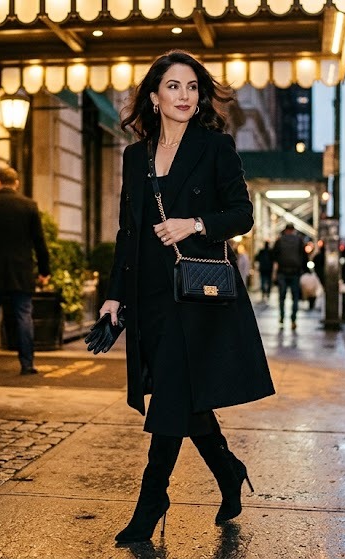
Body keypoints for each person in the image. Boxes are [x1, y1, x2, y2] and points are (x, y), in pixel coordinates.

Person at [98, 50, 274, 545]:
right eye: (173, 87)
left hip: (196, 293)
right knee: (185, 395)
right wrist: (115, 298)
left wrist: (194, 223)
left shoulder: (216, 148)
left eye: (192, 87)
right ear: (154, 97)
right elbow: (126, 234)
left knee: (172, 393)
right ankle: (227, 470)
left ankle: (151, 499)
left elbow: (242, 214)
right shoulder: (135, 156)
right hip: (149, 293)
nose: (184, 96)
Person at [0, 167, 50, 375]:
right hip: (21, 270)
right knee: (23, 315)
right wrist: (44, 270)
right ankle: (27, 363)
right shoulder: (29, 206)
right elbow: (39, 242)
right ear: (17, 183)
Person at [271, 223, 307, 329]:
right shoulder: (299, 241)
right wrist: (303, 269)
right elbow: (304, 256)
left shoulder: (280, 240)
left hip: (282, 271)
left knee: (282, 297)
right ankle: (293, 320)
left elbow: (273, 255)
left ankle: (282, 317)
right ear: (293, 230)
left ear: (285, 230)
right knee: (295, 297)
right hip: (295, 272)